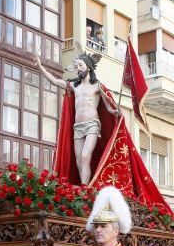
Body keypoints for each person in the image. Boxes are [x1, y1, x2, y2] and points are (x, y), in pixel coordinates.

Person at [33, 49, 119, 185]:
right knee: (79, 160)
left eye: (81, 66)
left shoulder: (97, 86)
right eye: (77, 66)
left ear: (88, 67)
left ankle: (86, 189)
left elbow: (107, 104)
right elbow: (55, 81)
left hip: (92, 124)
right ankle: (83, 186)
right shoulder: (74, 86)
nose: (78, 69)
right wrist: (40, 66)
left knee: (85, 156)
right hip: (78, 127)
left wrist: (113, 112)